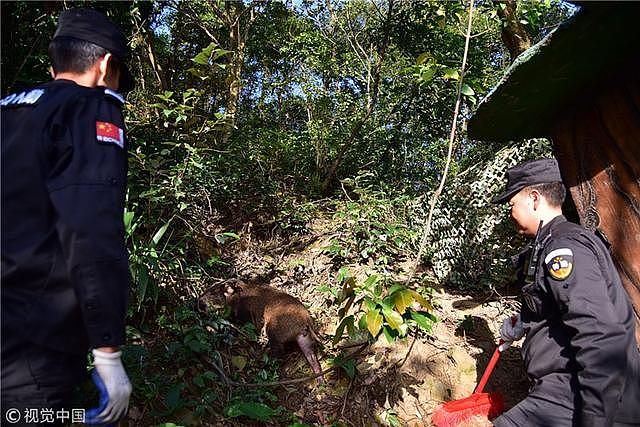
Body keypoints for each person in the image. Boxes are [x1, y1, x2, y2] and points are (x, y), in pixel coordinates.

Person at [1, 9, 134, 426]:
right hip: (30, 349)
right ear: (105, 66)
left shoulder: (9, 110)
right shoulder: (90, 108)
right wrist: (108, 351)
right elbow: (91, 230)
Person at [490, 158, 640, 427]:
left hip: (581, 394)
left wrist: (594, 420)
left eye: (512, 204)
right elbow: (557, 303)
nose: (510, 213)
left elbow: (601, 335)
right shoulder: (550, 242)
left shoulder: (564, 248)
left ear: (534, 199)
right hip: (567, 387)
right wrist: (524, 322)